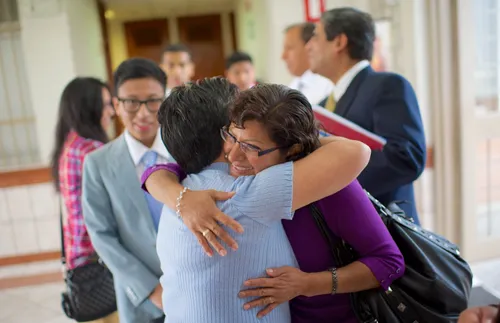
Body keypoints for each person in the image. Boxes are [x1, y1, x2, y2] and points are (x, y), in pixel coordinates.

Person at [143, 82, 404, 323]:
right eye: (232, 137)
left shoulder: (329, 183)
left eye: (250, 146)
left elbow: (388, 261)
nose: (233, 154)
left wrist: (308, 284)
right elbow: (167, 168)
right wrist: (179, 198)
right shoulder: (220, 188)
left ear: (290, 149)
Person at [307, 7, 427, 223]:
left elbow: (406, 158)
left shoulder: (388, 85)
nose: (308, 46)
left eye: (315, 36)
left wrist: (328, 179)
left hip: (386, 229)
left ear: (339, 42)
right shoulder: (322, 106)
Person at [82, 58, 173, 323]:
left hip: (195, 288)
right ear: (116, 105)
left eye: (153, 101)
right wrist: (149, 288)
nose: (143, 113)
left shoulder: (187, 151)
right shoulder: (98, 163)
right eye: (132, 102)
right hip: (141, 298)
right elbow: (102, 234)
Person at [51, 77, 118, 323]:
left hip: (80, 258)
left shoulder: (70, 145)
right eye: (106, 104)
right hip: (98, 257)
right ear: (88, 108)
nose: (111, 112)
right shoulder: (91, 150)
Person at [283, 22, 333, 105]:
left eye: (289, 48)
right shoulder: (293, 85)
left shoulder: (327, 85)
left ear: (309, 46)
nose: (283, 56)